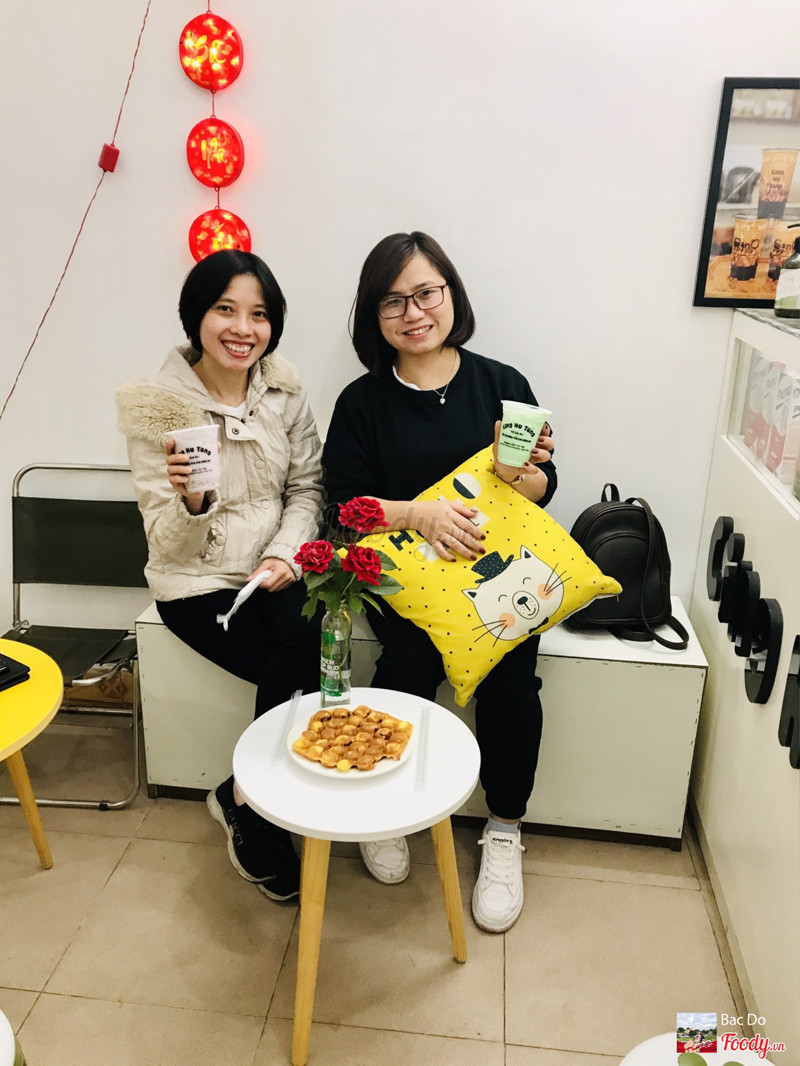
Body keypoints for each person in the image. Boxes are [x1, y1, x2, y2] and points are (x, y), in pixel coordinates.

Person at [322, 231, 556, 932]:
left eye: (426, 292)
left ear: (451, 293)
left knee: (512, 683)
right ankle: (386, 811)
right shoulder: (361, 403)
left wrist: (518, 475)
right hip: (409, 586)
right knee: (407, 667)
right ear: (374, 316)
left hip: (501, 580)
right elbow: (345, 508)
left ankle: (504, 828)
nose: (413, 312)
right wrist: (418, 514)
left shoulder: (502, 384)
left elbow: (543, 489)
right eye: (393, 301)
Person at [117, 249, 323, 904]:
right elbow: (164, 540)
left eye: (259, 314)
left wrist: (286, 554)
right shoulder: (156, 408)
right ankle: (257, 806)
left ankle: (241, 796)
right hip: (194, 582)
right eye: (225, 309)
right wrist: (194, 503)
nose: (243, 328)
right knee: (292, 671)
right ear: (196, 316)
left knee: (310, 642)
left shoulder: (284, 392)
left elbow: (308, 488)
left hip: (273, 571)